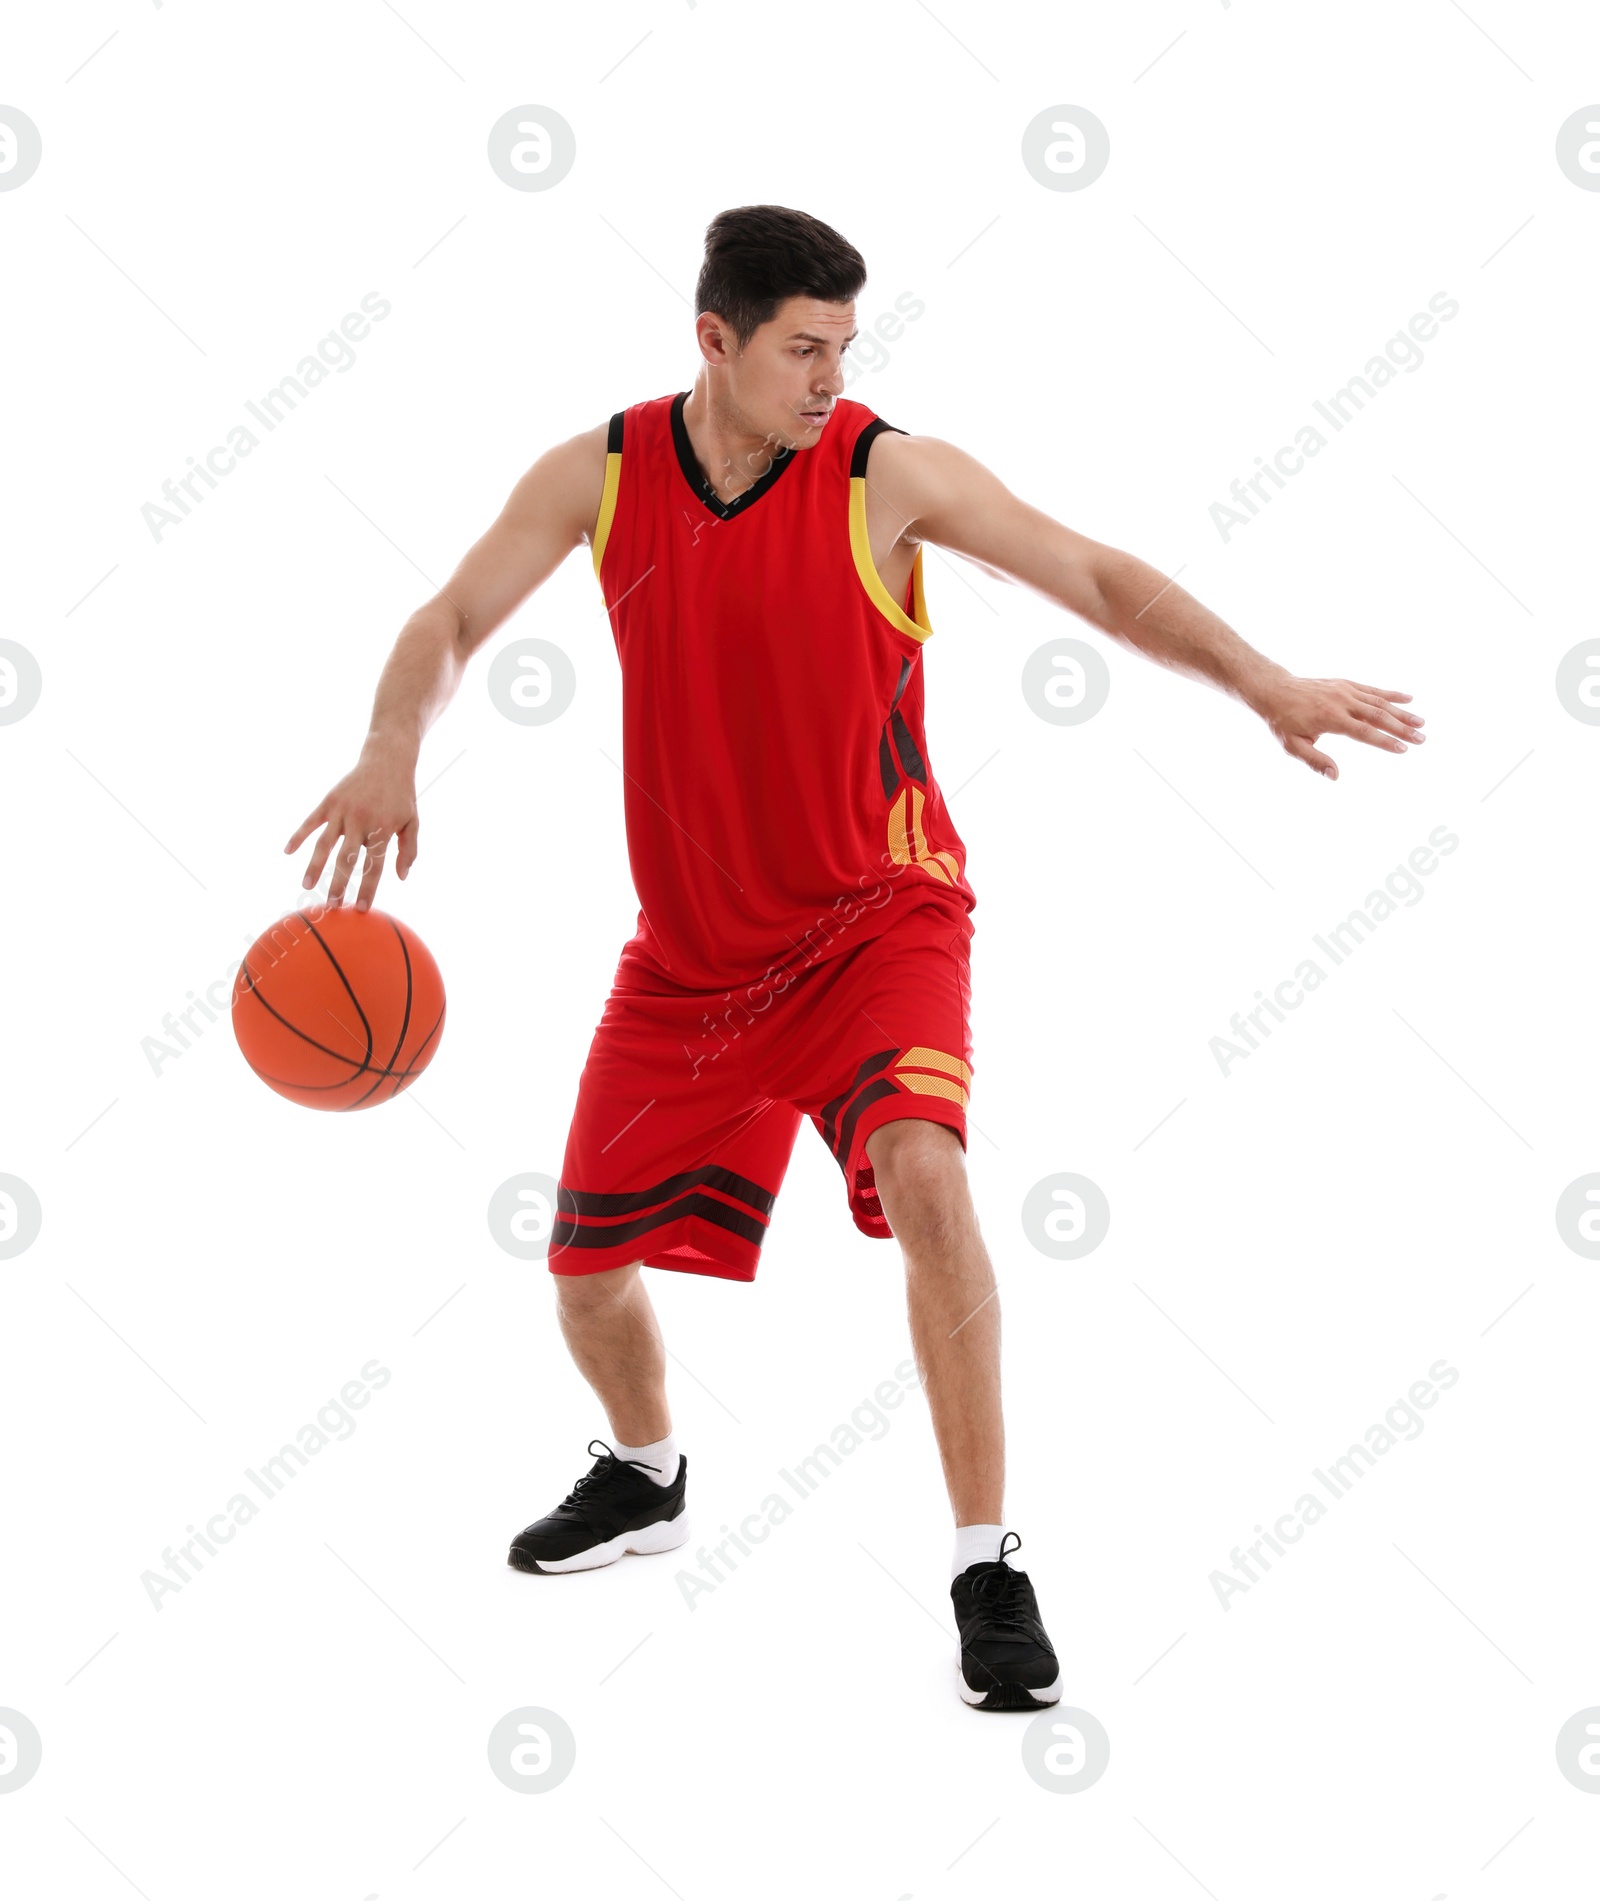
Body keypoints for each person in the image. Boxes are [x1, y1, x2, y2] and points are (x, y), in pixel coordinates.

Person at [285, 204, 1424, 1710]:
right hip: (692, 962)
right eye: (802, 349)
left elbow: (1088, 571)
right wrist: (388, 749)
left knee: (930, 1175)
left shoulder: (887, 475)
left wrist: (1262, 679)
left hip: (877, 917)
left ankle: (984, 1562)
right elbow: (449, 617)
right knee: (580, 1272)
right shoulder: (602, 473)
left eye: (846, 347)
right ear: (717, 341)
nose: (831, 377)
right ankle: (646, 1471)